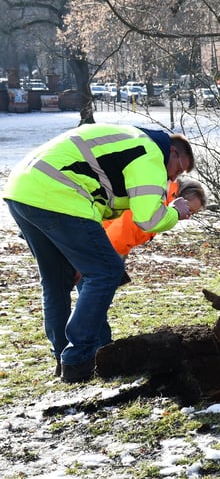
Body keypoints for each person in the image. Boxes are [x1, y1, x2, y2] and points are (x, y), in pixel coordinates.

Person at [2, 124, 195, 383]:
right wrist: (176, 211)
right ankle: (82, 357)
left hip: (23, 191)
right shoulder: (149, 152)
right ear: (171, 152)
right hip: (59, 194)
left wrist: (83, 255)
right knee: (107, 272)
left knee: (58, 281)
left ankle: (64, 358)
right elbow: (148, 218)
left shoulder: (126, 140)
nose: (172, 179)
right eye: (177, 169)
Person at [103, 176, 206, 257]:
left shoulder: (161, 207)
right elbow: (116, 239)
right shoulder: (155, 203)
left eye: (192, 214)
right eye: (189, 210)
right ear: (179, 200)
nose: (187, 217)